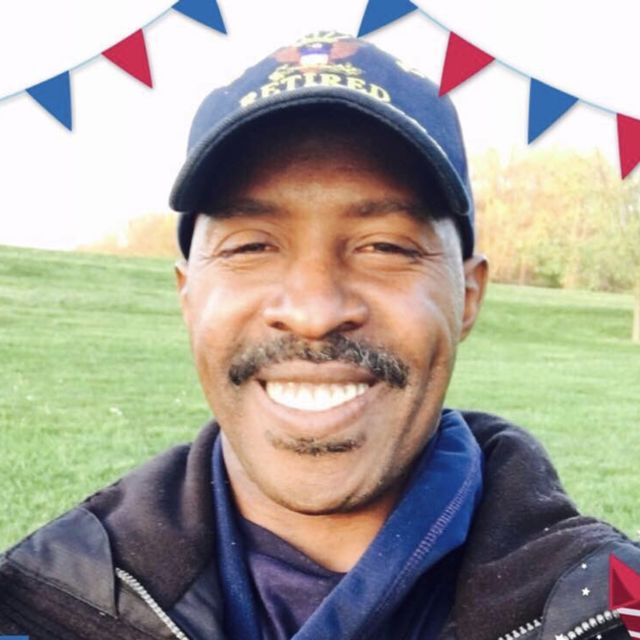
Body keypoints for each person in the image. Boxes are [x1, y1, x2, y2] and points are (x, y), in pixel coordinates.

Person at [0, 32, 638, 640]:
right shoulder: (41, 600)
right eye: (251, 246)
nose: (313, 312)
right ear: (188, 296)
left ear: (467, 297)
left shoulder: (610, 610)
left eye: (385, 246)